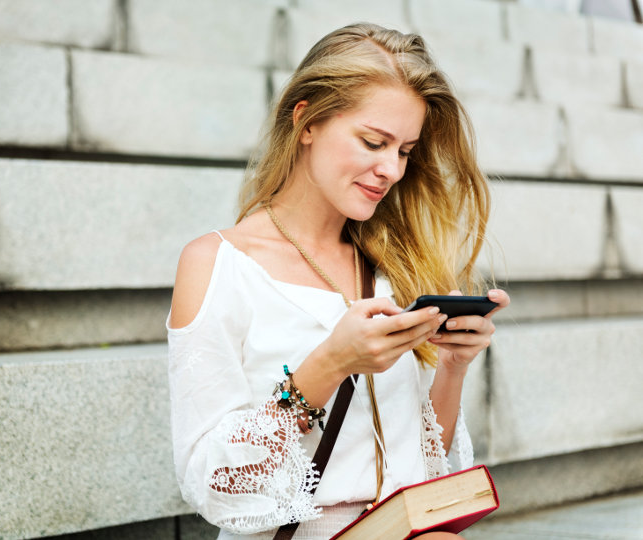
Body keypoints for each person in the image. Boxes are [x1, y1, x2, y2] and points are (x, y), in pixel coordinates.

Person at [167, 22, 510, 540]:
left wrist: (454, 366)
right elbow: (213, 480)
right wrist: (329, 364)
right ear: (307, 119)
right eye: (374, 142)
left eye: (404, 151)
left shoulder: (394, 264)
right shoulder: (218, 264)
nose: (391, 169)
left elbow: (425, 465)